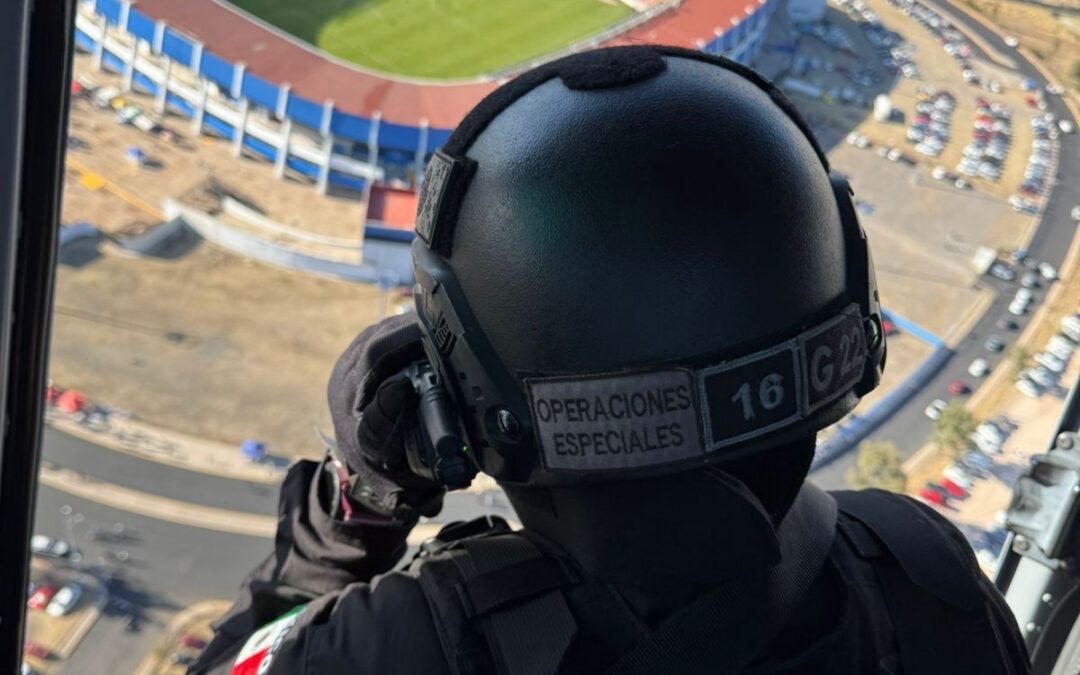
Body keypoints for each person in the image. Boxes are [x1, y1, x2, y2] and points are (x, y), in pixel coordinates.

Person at [190, 46, 1030, 675]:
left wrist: (358, 506)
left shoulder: (401, 645)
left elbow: (246, 652)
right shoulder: (919, 569)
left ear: (464, 399)